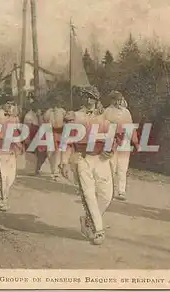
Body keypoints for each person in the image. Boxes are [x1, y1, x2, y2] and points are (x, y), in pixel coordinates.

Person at [60, 85, 113, 245]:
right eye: (85, 96)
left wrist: (110, 149)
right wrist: (63, 162)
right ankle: (98, 231)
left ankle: (88, 220)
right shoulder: (75, 116)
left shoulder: (105, 116)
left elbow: (113, 135)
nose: (88, 100)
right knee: (89, 194)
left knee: (106, 195)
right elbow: (65, 140)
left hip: (101, 158)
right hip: (82, 158)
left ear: (96, 99)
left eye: (91, 97)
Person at [103, 90, 140, 201]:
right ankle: (111, 190)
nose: (118, 102)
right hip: (111, 141)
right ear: (112, 100)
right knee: (111, 166)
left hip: (124, 142)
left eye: (120, 100)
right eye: (116, 99)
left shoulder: (126, 112)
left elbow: (131, 128)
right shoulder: (107, 111)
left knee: (122, 167)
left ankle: (121, 191)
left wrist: (136, 142)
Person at [42, 96, 67, 181]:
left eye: (56, 102)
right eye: (53, 102)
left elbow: (66, 122)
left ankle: (56, 171)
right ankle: (53, 169)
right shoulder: (48, 112)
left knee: (57, 152)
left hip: (59, 133)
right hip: (50, 132)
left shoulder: (62, 111)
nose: (55, 104)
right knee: (50, 153)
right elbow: (44, 121)